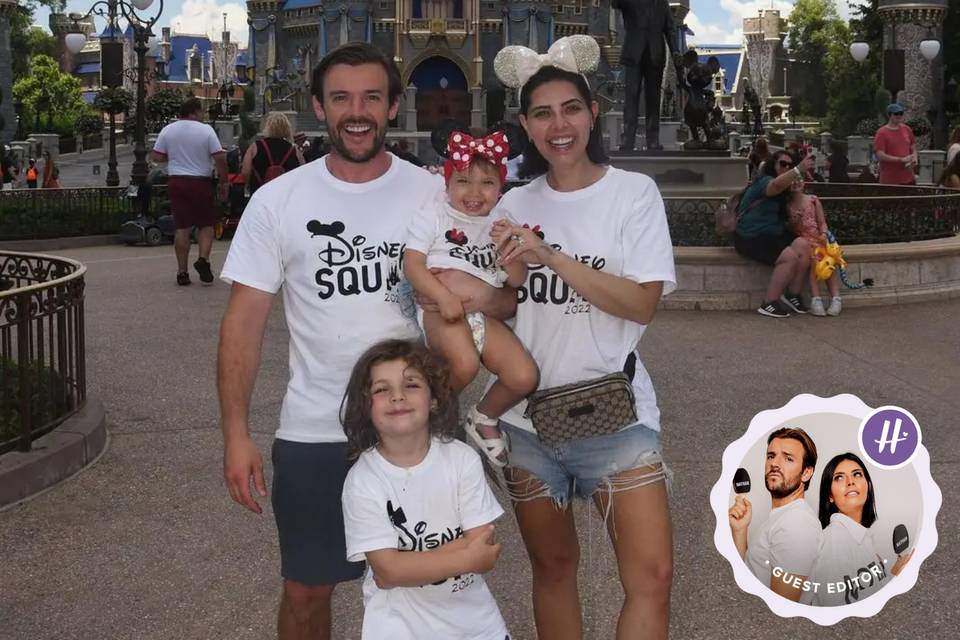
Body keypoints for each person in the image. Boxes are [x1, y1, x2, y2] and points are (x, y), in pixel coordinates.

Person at [217, 42, 515, 640]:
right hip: (315, 429)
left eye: (372, 97)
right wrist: (236, 435)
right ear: (318, 108)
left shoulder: (434, 193)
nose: (357, 111)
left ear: (394, 105)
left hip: (419, 430)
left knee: (436, 590)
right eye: (341, 98)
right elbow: (243, 326)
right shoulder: (279, 201)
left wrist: (478, 308)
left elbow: (499, 293)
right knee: (306, 591)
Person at [492, 37, 676, 640]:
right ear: (524, 124)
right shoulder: (511, 203)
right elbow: (499, 307)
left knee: (652, 577)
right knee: (553, 569)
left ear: (593, 111)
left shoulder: (632, 195)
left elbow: (641, 301)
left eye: (570, 108)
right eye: (541, 113)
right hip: (529, 425)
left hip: (616, 420)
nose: (558, 125)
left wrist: (550, 254)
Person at [340, 339, 510, 639]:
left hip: (474, 623)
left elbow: (484, 542)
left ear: (434, 398)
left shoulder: (462, 459)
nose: (397, 397)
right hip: (399, 627)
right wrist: (467, 557)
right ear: (365, 406)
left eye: (412, 385)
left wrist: (404, 567)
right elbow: (388, 571)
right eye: (381, 389)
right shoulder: (363, 481)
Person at [404, 127, 538, 467]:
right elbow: (413, 264)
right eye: (463, 181)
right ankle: (422, 418)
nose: (474, 192)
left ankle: (483, 416)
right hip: (440, 311)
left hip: (485, 318)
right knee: (462, 363)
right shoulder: (434, 215)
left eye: (487, 183)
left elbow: (517, 281)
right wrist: (441, 295)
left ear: (501, 186)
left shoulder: (502, 222)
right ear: (447, 182)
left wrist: (511, 247)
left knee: (523, 376)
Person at [802, 452, 913, 607]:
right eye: (839, 477)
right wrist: (894, 577)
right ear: (830, 495)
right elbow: (840, 614)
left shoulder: (862, 538)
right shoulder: (835, 540)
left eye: (857, 474)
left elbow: (866, 596)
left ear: (867, 484)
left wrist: (894, 573)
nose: (850, 482)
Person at [728, 427, 822, 602]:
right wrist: (740, 531)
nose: (775, 464)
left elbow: (781, 609)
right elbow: (752, 573)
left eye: (788, 458)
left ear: (806, 473)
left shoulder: (797, 523)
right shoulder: (782, 518)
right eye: (771, 456)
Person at [151, 97, 228, 286]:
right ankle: (203, 259)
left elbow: (156, 156)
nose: (203, 115)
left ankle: (182, 272)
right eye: (201, 112)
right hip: (201, 181)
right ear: (194, 112)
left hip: (177, 181)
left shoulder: (168, 130)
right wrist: (224, 181)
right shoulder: (206, 130)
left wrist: (175, 156)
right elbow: (219, 157)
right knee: (206, 224)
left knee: (182, 227)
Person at [734, 149, 816, 317]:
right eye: (783, 164)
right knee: (789, 257)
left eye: (790, 165)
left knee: (803, 246)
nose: (786, 167)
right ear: (773, 165)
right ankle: (769, 302)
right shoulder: (765, 181)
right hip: (751, 235)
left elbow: (792, 215)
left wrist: (797, 192)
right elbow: (775, 186)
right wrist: (798, 169)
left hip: (773, 232)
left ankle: (792, 294)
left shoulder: (787, 187)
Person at [614, 0, 678, 150]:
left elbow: (670, 28)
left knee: (653, 99)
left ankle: (653, 140)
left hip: (655, 55)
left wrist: (675, 50)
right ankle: (628, 139)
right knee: (631, 96)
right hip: (633, 53)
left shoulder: (662, 3)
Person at [786, 182, 841, 316]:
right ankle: (816, 299)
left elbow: (822, 223)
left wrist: (823, 234)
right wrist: (795, 221)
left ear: (803, 182)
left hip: (818, 239)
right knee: (813, 262)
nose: (795, 183)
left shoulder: (813, 200)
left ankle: (836, 299)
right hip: (803, 242)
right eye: (791, 180)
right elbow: (790, 229)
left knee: (829, 263)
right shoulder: (787, 206)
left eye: (798, 179)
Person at [241, 111, 304, 195]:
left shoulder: (255, 146)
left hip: (260, 194)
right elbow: (303, 172)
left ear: (268, 127)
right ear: (287, 128)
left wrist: (248, 185)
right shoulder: (294, 150)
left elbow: (245, 172)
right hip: (285, 196)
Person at [874, 103, 917, 185]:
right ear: (889, 115)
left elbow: (913, 146)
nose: (899, 116)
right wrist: (901, 159)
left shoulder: (907, 129)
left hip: (909, 178)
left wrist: (915, 158)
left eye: (901, 113)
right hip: (890, 181)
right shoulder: (881, 133)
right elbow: (880, 155)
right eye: (896, 114)